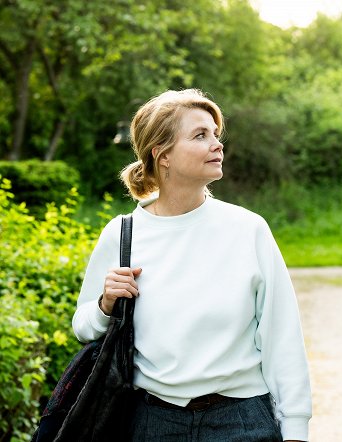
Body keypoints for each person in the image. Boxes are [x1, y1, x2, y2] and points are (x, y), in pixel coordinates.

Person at [72, 89, 311, 442]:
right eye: (201, 135)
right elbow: (83, 327)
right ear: (162, 154)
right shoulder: (123, 235)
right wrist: (106, 304)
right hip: (151, 423)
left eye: (216, 134)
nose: (217, 144)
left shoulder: (248, 229)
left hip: (242, 422)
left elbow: (282, 337)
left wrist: (295, 430)